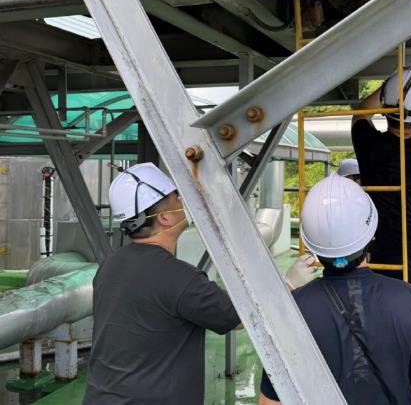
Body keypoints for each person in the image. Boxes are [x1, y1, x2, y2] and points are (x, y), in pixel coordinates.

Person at [84, 162, 314, 405]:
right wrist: (288, 285)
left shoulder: (110, 265)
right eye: (176, 196)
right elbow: (240, 317)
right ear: (164, 217)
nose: (182, 200)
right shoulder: (179, 278)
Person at [259, 174, 411, 405]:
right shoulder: (409, 300)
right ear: (371, 235)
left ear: (310, 244)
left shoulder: (292, 310)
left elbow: (271, 402)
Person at [351, 64, 411, 325]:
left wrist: (393, 83)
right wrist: (409, 111)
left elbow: (361, 113)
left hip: (389, 253)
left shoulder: (370, 146)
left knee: (388, 329)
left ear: (385, 105)